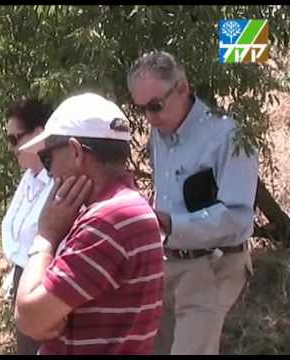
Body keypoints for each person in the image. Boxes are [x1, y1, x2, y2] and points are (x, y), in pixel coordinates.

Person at [127, 51, 258, 355]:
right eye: (142, 109)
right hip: (167, 264)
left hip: (213, 265)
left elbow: (238, 218)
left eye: (155, 106)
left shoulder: (228, 135)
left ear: (183, 88)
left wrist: (171, 224)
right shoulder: (159, 134)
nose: (150, 117)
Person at [15, 93, 164, 355]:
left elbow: (29, 317)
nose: (50, 174)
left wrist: (46, 236)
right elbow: (41, 323)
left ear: (75, 152)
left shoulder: (110, 221)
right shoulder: (118, 211)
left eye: (48, 159)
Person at [1, 98, 54, 355]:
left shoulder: (59, 181)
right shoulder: (29, 178)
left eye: (16, 139)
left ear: (39, 134)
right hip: (23, 278)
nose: (12, 148)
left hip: (46, 285)